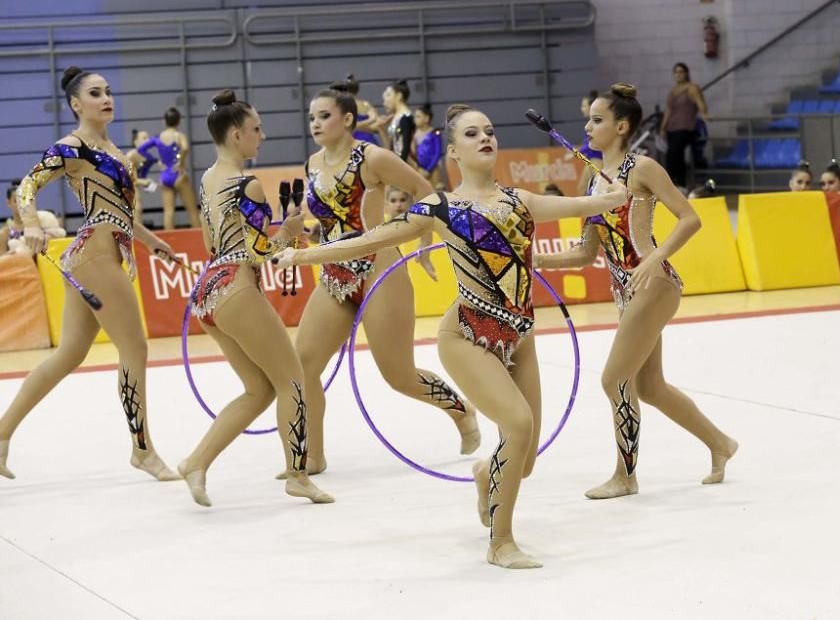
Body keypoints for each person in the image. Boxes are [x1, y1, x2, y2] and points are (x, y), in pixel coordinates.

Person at [274, 103, 628, 569]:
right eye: (472, 133)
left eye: (490, 130)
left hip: (520, 336)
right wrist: (303, 258)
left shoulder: (521, 201)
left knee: (524, 461)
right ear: (454, 151)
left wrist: (612, 192)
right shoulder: (438, 207)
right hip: (466, 335)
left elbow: (594, 204)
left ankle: (487, 473)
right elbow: (367, 240)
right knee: (518, 426)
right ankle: (501, 543)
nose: (486, 137)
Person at [534, 83, 737, 500]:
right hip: (625, 290)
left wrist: (653, 258)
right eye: (588, 119)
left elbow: (689, 218)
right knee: (649, 386)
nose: (588, 126)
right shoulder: (592, 180)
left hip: (654, 281)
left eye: (597, 119)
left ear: (622, 126)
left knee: (614, 379)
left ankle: (626, 476)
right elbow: (586, 251)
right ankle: (721, 444)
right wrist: (538, 260)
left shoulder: (641, 168)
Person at [288, 83, 479, 479]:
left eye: (324, 116)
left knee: (399, 376)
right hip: (336, 271)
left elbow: (424, 190)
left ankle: (460, 410)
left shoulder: (371, 157)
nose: (315, 124)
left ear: (347, 120)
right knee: (302, 365)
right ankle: (313, 456)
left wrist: (424, 243)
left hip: (378, 268)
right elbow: (327, 222)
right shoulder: (312, 163)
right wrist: (303, 234)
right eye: (311, 117)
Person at [0, 66, 179, 482]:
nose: (106, 98)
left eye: (108, 91)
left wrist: (150, 240)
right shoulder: (72, 147)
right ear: (76, 104)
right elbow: (27, 188)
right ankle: (143, 450)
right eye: (95, 93)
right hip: (94, 259)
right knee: (135, 348)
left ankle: (1, 433)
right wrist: (30, 225)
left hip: (96, 256)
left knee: (69, 354)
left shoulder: (115, 151)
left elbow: (115, 213)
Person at [177, 89, 333, 507]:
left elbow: (212, 241)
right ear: (234, 135)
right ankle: (298, 474)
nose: (262, 136)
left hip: (208, 292)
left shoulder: (209, 178)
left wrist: (285, 231)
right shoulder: (248, 186)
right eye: (255, 129)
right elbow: (259, 252)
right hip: (236, 287)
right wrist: (290, 230)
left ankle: (196, 462)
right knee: (294, 379)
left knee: (259, 390)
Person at [138, 107, 200, 230]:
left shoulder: (158, 138)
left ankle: (170, 243)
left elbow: (141, 149)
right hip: (179, 174)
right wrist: (181, 162)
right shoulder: (179, 136)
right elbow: (186, 148)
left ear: (164, 121)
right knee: (192, 210)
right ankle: (199, 241)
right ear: (179, 121)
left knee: (168, 212)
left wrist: (156, 160)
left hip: (165, 175)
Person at [658, 63, 708, 189]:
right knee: (671, 155)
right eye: (676, 72)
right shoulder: (673, 91)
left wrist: (704, 114)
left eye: (681, 72)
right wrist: (662, 128)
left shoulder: (692, 88)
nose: (678, 74)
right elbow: (668, 110)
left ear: (686, 73)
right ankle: (673, 183)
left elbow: (700, 102)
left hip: (686, 128)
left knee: (676, 153)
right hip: (672, 128)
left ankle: (680, 183)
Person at [1, 180, 66, 255]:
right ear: (8, 203)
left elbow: (61, 238)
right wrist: (10, 255)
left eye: (25, 200)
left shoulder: (43, 220)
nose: (21, 204)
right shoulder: (5, 232)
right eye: (16, 201)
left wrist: (50, 235)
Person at [333, 74, 381, 146]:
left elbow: (348, 126)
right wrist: (370, 121)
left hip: (353, 141)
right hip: (369, 140)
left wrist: (356, 127)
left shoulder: (345, 105)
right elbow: (376, 123)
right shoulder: (366, 104)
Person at [379, 79, 416, 165]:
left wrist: (398, 166)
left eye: (388, 95)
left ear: (399, 96)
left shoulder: (406, 117)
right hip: (398, 161)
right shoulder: (396, 117)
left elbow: (406, 149)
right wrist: (380, 128)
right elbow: (390, 146)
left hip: (407, 164)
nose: (385, 103)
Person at [125, 129, 157, 225]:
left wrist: (145, 182)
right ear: (136, 142)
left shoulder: (143, 155)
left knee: (138, 206)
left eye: (148, 137)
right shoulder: (132, 155)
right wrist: (143, 182)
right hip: (126, 187)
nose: (148, 140)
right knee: (137, 207)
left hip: (132, 187)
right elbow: (128, 177)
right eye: (144, 138)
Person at [412, 104, 445, 190]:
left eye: (418, 117)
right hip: (419, 167)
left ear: (426, 118)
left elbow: (437, 152)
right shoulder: (414, 134)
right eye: (415, 117)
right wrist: (418, 166)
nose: (415, 119)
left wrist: (429, 170)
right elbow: (413, 152)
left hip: (433, 167)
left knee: (436, 190)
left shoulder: (434, 132)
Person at [579, 90, 602, 161]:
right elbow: (587, 142)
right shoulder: (590, 124)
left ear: (591, 107)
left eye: (584, 106)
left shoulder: (597, 123)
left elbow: (592, 142)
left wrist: (579, 152)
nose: (581, 109)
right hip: (591, 158)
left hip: (598, 159)